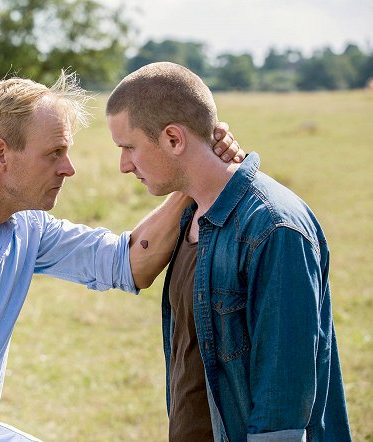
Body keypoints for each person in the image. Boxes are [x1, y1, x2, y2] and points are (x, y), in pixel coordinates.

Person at [0, 71, 242, 441]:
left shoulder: (27, 228)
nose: (68, 169)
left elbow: (127, 263)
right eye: (54, 153)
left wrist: (196, 174)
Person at [106, 62, 351, 442]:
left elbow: (282, 412)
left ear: (173, 139)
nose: (124, 165)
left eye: (128, 147)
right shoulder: (191, 216)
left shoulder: (274, 229)